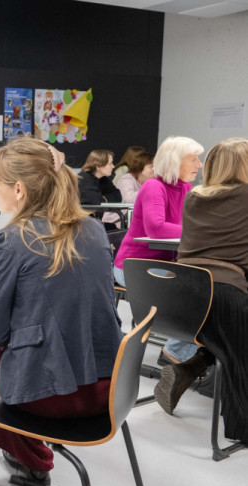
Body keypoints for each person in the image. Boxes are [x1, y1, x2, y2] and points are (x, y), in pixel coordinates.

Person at [0, 137, 122, 484]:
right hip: (112, 388)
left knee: (7, 351)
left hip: (52, 396)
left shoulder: (8, 240)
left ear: (18, 189)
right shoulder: (94, 229)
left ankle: (31, 459)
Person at [154, 137, 248, 430]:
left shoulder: (195, 196)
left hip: (183, 299)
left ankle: (190, 368)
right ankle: (241, 424)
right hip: (226, 297)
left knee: (229, 326)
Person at [113, 136, 204, 364]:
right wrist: (199, 230)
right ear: (175, 161)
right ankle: (175, 354)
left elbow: (192, 224)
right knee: (197, 294)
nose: (200, 164)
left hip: (164, 265)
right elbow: (157, 228)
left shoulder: (185, 187)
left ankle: (183, 353)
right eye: (193, 159)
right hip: (134, 268)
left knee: (209, 289)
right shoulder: (154, 186)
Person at [102, 150, 155, 228]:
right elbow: (128, 198)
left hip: (133, 224)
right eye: (151, 167)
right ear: (140, 168)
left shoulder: (151, 183)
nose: (154, 169)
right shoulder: (127, 179)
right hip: (115, 224)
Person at [77, 149, 122, 230]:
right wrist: (104, 199)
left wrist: (104, 199)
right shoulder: (84, 179)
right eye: (110, 163)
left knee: (114, 228)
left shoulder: (103, 179)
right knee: (114, 230)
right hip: (80, 226)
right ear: (98, 166)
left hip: (94, 222)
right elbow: (97, 202)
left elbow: (118, 196)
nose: (113, 166)